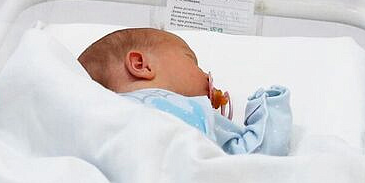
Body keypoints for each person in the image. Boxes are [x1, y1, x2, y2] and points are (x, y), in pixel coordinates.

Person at [76, 27, 290, 156]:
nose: (205, 75)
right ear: (141, 65)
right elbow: (255, 152)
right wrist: (270, 109)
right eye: (192, 62)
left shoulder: (201, 115)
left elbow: (247, 164)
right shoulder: (192, 108)